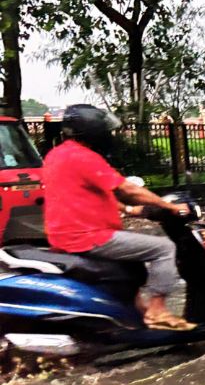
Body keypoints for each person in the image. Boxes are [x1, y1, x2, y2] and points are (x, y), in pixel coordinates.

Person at [40, 104, 195, 330]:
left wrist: (129, 210)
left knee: (131, 266)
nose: (110, 135)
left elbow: (88, 193)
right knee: (163, 248)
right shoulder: (84, 157)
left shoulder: (57, 155)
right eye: (106, 130)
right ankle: (158, 311)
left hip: (65, 234)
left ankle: (135, 313)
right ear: (93, 131)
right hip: (88, 237)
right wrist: (169, 207)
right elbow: (127, 189)